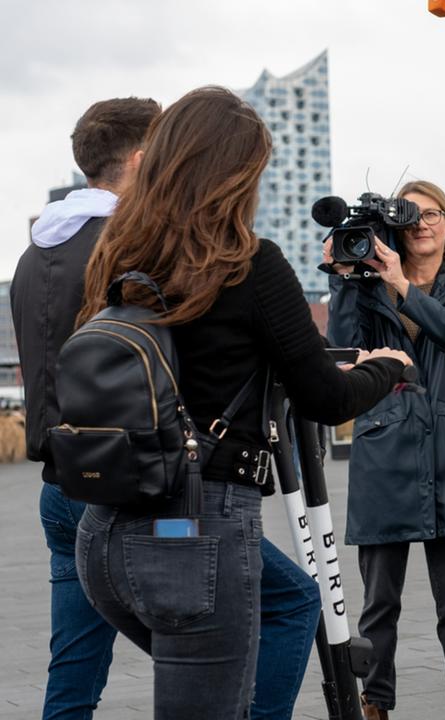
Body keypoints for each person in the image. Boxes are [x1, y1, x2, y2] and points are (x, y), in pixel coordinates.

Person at [73, 86, 411, 720]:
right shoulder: (247, 264)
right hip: (195, 529)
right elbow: (324, 394)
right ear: (236, 176)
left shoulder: (118, 254)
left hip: (108, 531)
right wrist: (387, 369)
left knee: (289, 603)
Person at [14, 96, 325, 720]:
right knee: (276, 611)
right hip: (156, 484)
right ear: (142, 159)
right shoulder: (139, 245)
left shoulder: (36, 255)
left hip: (67, 477)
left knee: (72, 672)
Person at [325, 180, 445, 720]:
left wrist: (398, 281)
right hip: (386, 446)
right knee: (379, 602)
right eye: (410, 215)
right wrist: (349, 280)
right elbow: (344, 349)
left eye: (433, 213)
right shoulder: (369, 289)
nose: (422, 223)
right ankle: (376, 702)